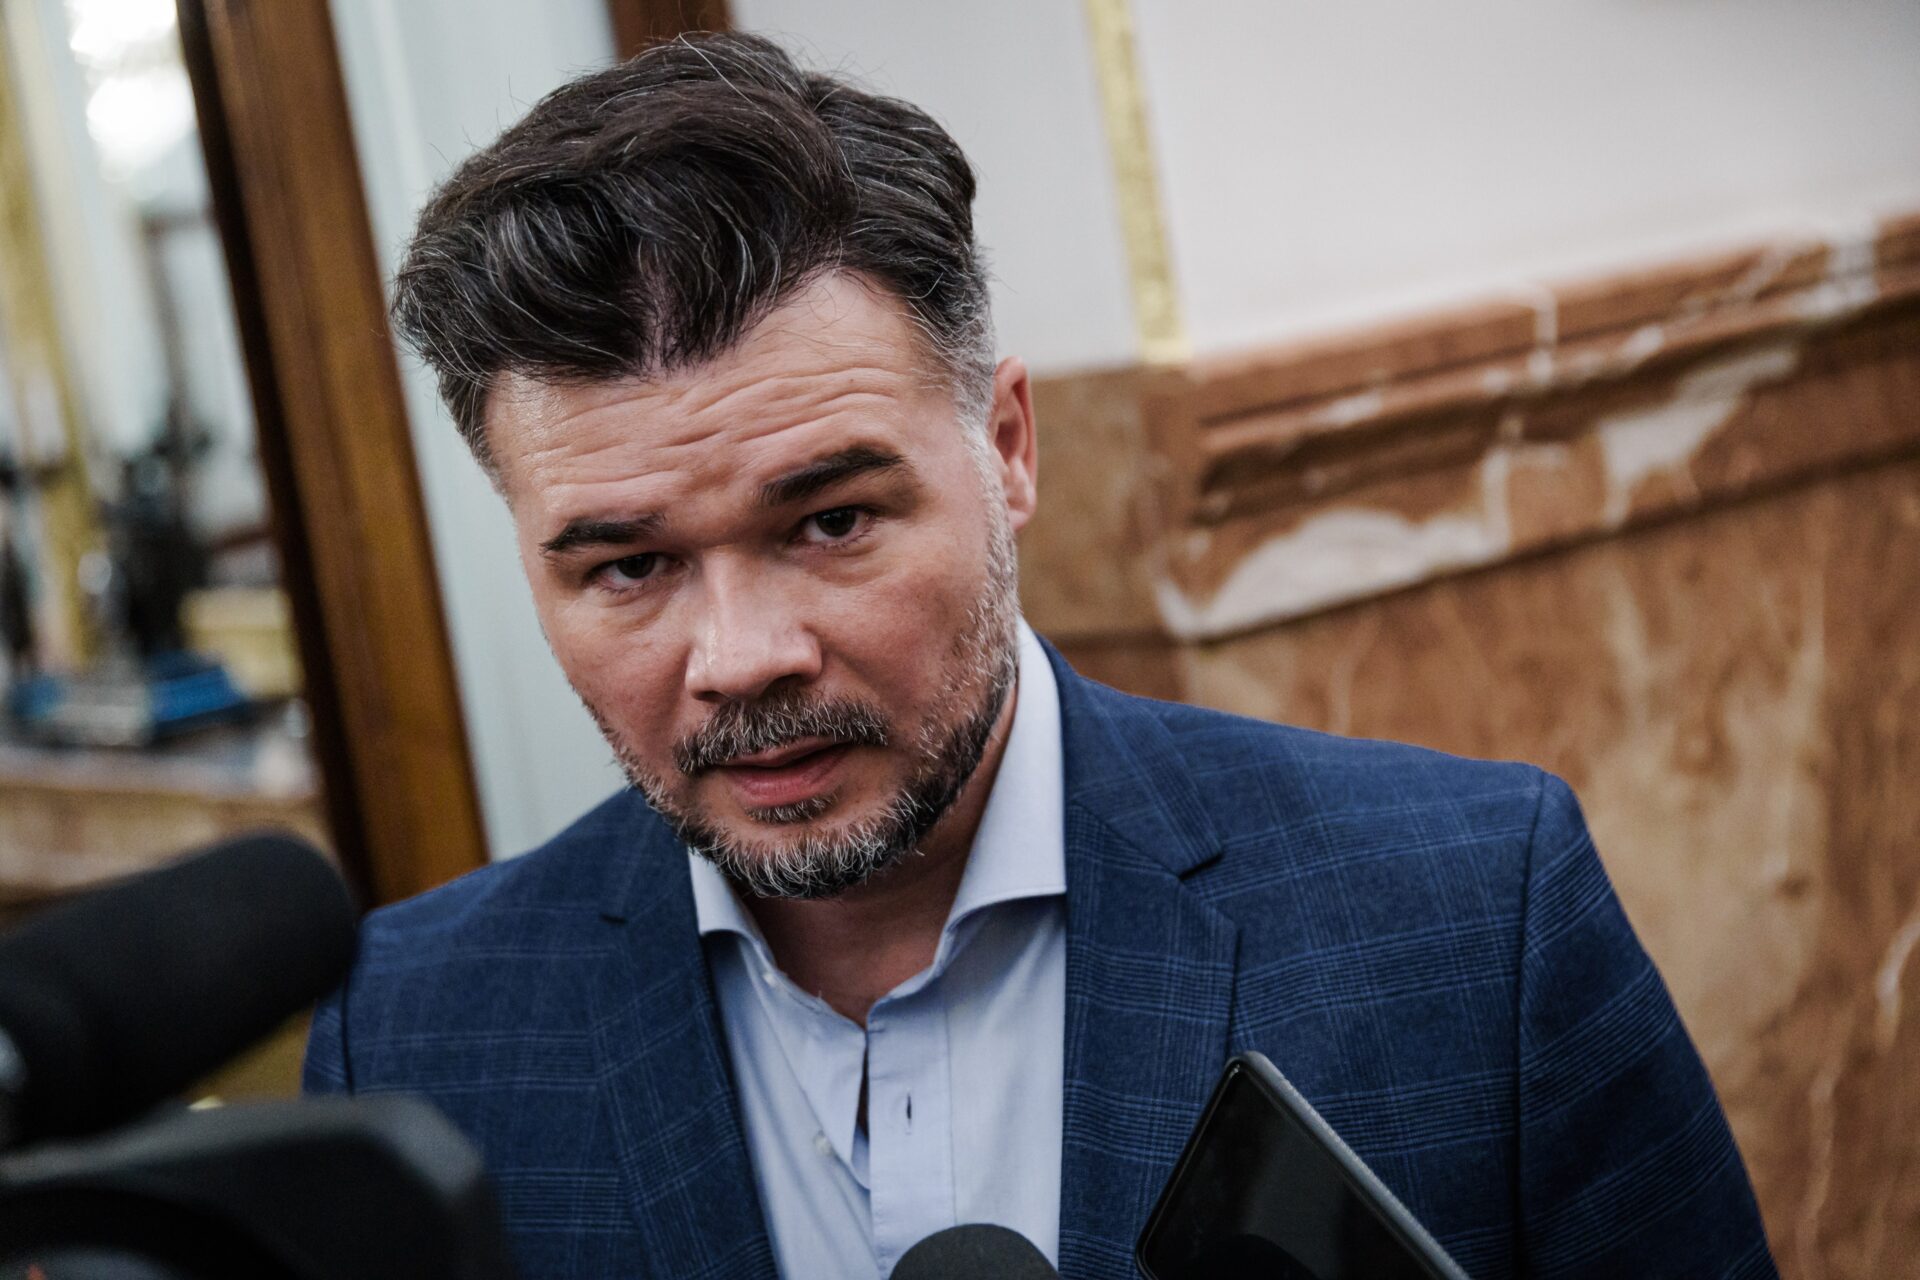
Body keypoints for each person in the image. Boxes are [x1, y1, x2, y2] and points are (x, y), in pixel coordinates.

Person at [305, 33, 1777, 1280]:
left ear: (1007, 447)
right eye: (629, 568)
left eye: (830, 521)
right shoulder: (412, 1041)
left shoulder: (1471, 921)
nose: (743, 659)